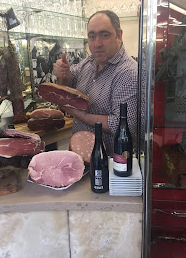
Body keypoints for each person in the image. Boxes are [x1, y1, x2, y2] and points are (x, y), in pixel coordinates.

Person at [54, 10, 138, 156]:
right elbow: (70, 80)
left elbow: (122, 124)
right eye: (92, 36)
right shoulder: (90, 61)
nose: (97, 43)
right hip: (79, 155)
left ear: (119, 35)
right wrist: (64, 73)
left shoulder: (128, 72)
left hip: (109, 163)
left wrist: (78, 113)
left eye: (104, 35)